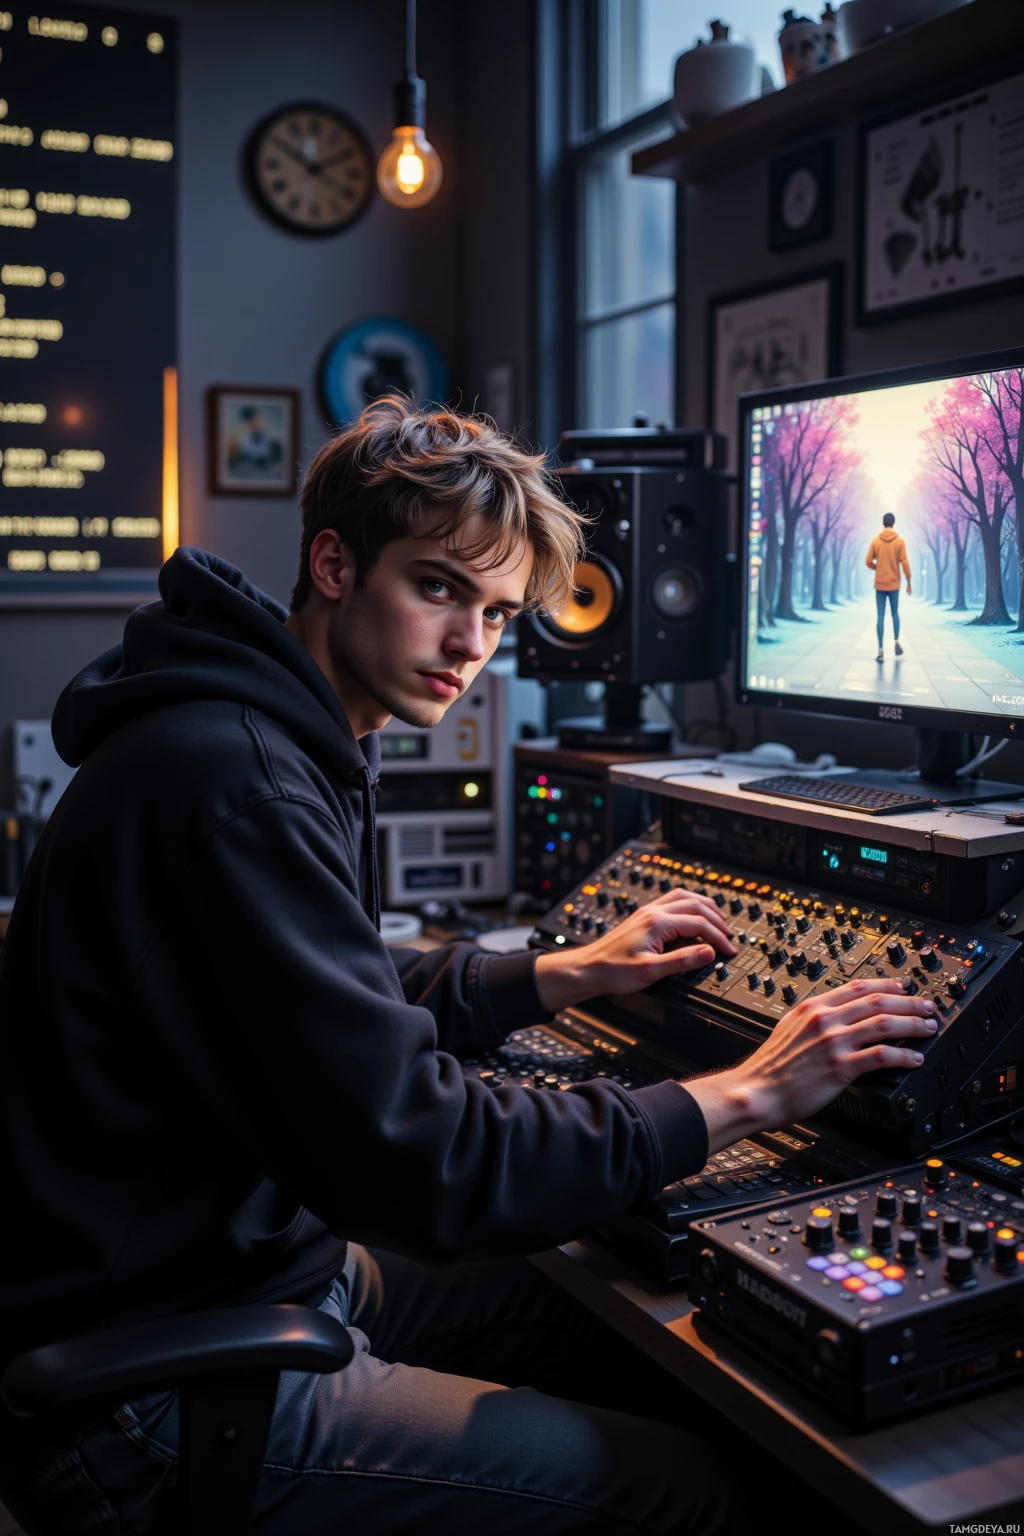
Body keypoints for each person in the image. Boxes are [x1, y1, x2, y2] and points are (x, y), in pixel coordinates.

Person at [0, 398, 936, 1535]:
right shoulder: (237, 782)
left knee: (595, 1328)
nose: (469, 647)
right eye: (438, 588)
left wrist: (558, 975)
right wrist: (750, 1092)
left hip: (228, 1275)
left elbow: (316, 1005)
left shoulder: (260, 734)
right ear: (335, 563)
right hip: (146, 1392)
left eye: (496, 613)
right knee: (690, 1496)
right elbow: (425, 1157)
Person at [866, 511, 911, 662]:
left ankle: (880, 650)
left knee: (880, 616)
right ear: (893, 523)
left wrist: (877, 568)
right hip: (894, 584)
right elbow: (904, 562)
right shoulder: (899, 541)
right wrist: (909, 581)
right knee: (895, 614)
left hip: (880, 584)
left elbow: (868, 561)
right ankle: (896, 642)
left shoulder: (876, 541)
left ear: (883, 523)